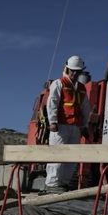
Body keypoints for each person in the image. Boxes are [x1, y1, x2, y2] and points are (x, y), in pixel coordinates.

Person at [45, 55, 91, 193]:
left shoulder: (82, 88)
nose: (75, 73)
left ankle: (63, 183)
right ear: (67, 68)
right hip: (61, 126)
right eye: (72, 70)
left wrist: (84, 126)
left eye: (77, 71)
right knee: (57, 155)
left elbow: (85, 108)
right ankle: (52, 184)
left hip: (75, 127)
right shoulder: (59, 83)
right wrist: (52, 121)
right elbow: (52, 102)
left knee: (72, 157)